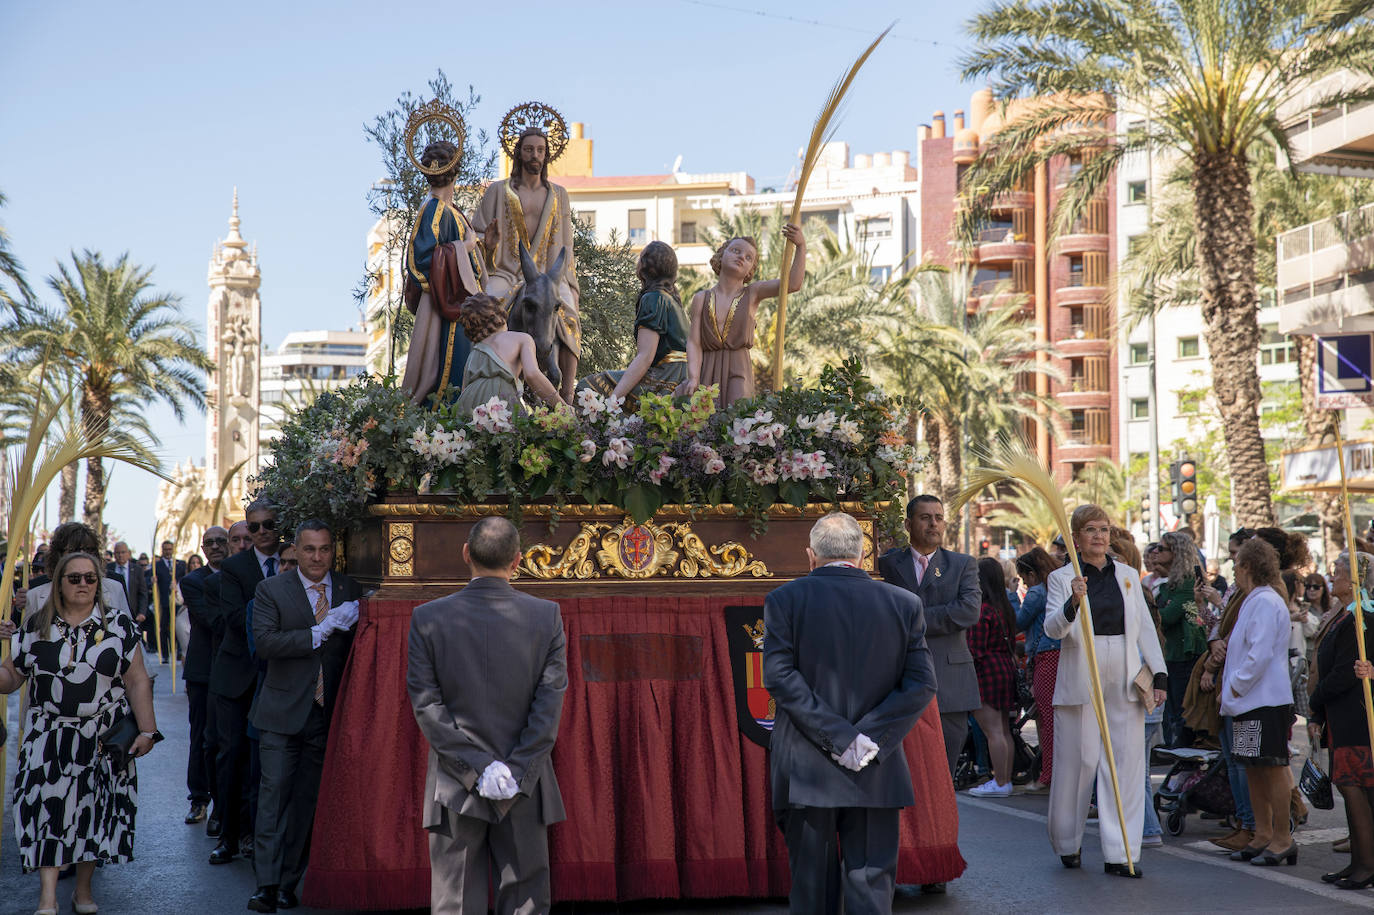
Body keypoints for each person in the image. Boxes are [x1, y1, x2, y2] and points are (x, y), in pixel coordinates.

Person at [764, 512, 937, 914]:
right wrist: (866, 739)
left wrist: (842, 739)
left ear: (811, 556)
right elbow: (922, 684)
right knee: (871, 891)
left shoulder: (784, 599)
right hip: (876, 767)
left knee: (812, 894)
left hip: (808, 768)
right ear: (862, 555)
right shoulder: (905, 603)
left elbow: (779, 677)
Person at [407, 516, 568, 915]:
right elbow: (548, 707)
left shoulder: (427, 618)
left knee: (456, 901)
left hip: (455, 781)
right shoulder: (546, 616)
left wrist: (477, 769)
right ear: (518, 561)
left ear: (466, 554)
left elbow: (427, 707)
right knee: (525, 901)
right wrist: (515, 770)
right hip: (525, 781)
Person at [0, 551, 159, 915]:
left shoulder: (119, 625)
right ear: (59, 584)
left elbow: (136, 681)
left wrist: (148, 731)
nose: (84, 584)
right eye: (74, 578)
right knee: (45, 810)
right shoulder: (37, 625)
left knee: (94, 812)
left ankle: (83, 891)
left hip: (103, 735)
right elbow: (11, 678)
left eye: (90, 578)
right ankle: (47, 897)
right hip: (48, 735)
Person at [1045, 504, 1167, 878]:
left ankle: (1122, 852)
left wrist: (1159, 674)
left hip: (1125, 669)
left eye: (1105, 529)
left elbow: (1145, 626)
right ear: (1076, 537)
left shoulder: (1129, 574)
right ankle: (1068, 841)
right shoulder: (1063, 577)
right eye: (1091, 530)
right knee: (1078, 761)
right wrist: (1073, 601)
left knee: (1126, 763)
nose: (1099, 536)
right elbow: (1052, 629)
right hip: (1083, 668)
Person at [247, 520, 363, 913]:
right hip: (281, 713)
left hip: (326, 712)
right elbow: (264, 643)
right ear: (295, 550)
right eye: (310, 549)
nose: (317, 557)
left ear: (333, 550)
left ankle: (288, 882)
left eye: (325, 549)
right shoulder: (271, 589)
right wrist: (320, 631)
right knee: (273, 797)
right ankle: (266, 884)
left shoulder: (348, 589)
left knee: (306, 803)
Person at [473, 120, 581, 400]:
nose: (535, 155)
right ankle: (483, 382)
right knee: (486, 304)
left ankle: (568, 389)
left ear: (547, 155)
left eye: (540, 150)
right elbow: (476, 234)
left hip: (548, 276)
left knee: (569, 313)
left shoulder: (559, 195)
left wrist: (569, 284)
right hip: (505, 272)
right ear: (519, 152)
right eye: (529, 149)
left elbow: (566, 246)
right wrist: (489, 244)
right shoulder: (498, 191)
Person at [878, 495, 981, 776]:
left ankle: (945, 821)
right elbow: (881, 613)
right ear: (909, 524)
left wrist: (911, 616)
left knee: (943, 773)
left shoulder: (963, 565)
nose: (933, 523)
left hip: (951, 684)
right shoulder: (886, 565)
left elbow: (969, 612)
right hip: (898, 681)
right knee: (903, 773)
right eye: (925, 518)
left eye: (938, 517)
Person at [210, 500, 283, 865]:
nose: (261, 532)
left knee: (263, 763)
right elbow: (236, 618)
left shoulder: (292, 559)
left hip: (278, 676)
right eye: (254, 527)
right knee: (232, 756)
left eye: (268, 524)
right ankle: (227, 834)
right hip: (237, 676)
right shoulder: (235, 567)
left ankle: (256, 834)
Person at [1219, 538, 1297, 866]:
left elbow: (1259, 652)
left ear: (1248, 565)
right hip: (1249, 701)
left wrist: (1236, 685)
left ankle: (1283, 837)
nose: (1233, 570)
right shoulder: (1254, 599)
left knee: (1272, 767)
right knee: (1253, 768)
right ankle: (1263, 832)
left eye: (1236, 563)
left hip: (1264, 700)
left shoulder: (1265, 601)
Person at [677, 226, 806, 406]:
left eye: (748, 258)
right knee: (703, 424)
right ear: (721, 255)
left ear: (750, 270)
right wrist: (693, 377)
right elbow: (694, 342)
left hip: (738, 369)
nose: (741, 257)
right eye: (736, 251)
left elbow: (792, 284)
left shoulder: (753, 293)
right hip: (706, 370)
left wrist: (801, 246)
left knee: (736, 419)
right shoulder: (701, 298)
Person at [400, 139, 485, 406]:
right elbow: (421, 261)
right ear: (456, 171)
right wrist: (464, 246)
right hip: (447, 304)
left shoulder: (450, 211)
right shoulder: (434, 209)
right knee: (444, 368)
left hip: (462, 303)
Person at [1311, 551, 1374, 888]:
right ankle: (1358, 862)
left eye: (1336, 571)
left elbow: (1344, 673)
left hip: (1357, 716)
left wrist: (1314, 700)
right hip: (1340, 714)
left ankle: (1366, 865)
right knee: (1351, 789)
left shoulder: (1362, 618)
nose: (1330, 576)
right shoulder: (1343, 615)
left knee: (1356, 789)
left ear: (1354, 579)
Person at [577, 241, 689, 410]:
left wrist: (612, 402)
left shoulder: (654, 298)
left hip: (664, 379)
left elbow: (645, 357)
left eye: (639, 258)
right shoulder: (674, 301)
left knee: (588, 388)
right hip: (681, 377)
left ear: (645, 266)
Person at [181, 526, 229, 828]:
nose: (215, 547)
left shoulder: (240, 574)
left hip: (234, 668)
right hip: (203, 671)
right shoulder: (192, 581)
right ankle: (199, 799)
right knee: (201, 736)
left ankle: (225, 803)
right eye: (209, 543)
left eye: (220, 541)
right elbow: (212, 620)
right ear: (202, 547)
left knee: (226, 739)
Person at [452, 293, 566, 418]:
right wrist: (562, 406)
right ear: (499, 313)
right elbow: (532, 375)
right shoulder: (521, 339)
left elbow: (465, 388)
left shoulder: (474, 352)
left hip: (469, 403)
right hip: (501, 401)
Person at [966, 557, 1019, 797]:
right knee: (1004, 729)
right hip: (1005, 667)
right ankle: (1004, 780)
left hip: (986, 670)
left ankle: (999, 782)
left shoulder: (981, 610)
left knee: (993, 731)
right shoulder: (1004, 606)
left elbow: (975, 649)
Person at [1154, 530, 1205, 748]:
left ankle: (1184, 757)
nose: (1155, 551)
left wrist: (1157, 610)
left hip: (1186, 654)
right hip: (1172, 653)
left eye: (1161, 548)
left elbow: (1165, 617)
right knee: (1174, 710)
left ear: (1176, 553)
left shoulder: (1187, 581)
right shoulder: (1168, 584)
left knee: (1182, 712)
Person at [1016, 547, 1061, 791]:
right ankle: (1051, 771)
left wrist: (1012, 599)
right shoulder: (1054, 586)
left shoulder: (1036, 592)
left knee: (1046, 718)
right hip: (1057, 653)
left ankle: (1048, 774)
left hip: (1046, 655)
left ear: (1031, 573)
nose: (1024, 582)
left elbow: (1018, 623)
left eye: (1024, 577)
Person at [28, 523, 131, 621]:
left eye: (88, 550)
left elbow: (129, 633)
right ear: (58, 555)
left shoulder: (114, 589)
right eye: (74, 550)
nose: (82, 556)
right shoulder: (36, 596)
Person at [152, 539, 187, 660]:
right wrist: (152, 581)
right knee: (164, 628)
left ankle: (179, 651)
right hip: (164, 602)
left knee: (178, 626)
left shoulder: (180, 564)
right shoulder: (157, 565)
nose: (168, 552)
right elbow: (148, 579)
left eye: (169, 549)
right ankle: (165, 654)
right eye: (165, 549)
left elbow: (185, 579)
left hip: (178, 600)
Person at [107, 540, 149, 631]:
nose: (120, 555)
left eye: (123, 552)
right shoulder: (108, 569)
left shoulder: (137, 570)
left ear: (128, 553)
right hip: (112, 613)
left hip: (133, 614)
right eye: (118, 553)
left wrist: (142, 612)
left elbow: (143, 593)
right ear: (114, 554)